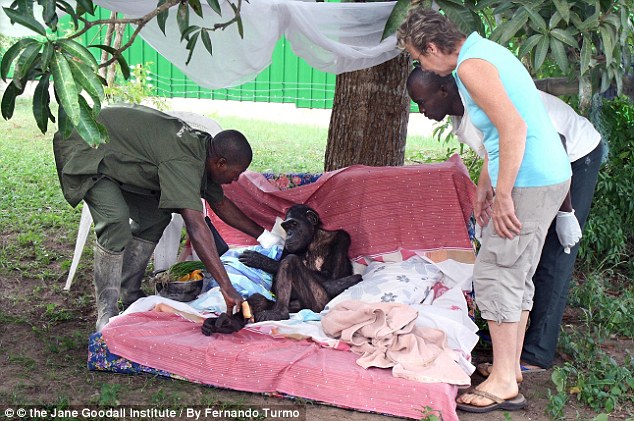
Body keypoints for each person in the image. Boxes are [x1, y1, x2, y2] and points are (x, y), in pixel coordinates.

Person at [398, 9, 572, 412]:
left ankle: (504, 382)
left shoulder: (473, 67)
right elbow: (498, 132)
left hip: (530, 180)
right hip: (543, 175)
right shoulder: (483, 52)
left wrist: (506, 194)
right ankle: (508, 368)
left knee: (497, 272)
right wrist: (485, 183)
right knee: (517, 273)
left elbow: (514, 128)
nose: (424, 68)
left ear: (433, 47)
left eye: (420, 58)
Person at [406, 67, 604, 373]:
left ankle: (536, 354)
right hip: (537, 165)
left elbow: (556, 146)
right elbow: (499, 154)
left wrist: (566, 213)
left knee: (554, 254)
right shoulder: (463, 114)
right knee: (522, 251)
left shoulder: (483, 102)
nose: (421, 111)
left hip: (573, 156)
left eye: (422, 101)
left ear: (444, 92)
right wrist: (494, 201)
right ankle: (512, 344)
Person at [53, 104, 264, 332]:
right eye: (235, 174)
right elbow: (196, 225)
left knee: (155, 217)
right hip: (87, 144)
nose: (235, 180)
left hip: (117, 155)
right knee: (115, 221)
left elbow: (221, 204)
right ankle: (107, 310)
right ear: (220, 163)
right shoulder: (185, 160)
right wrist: (226, 286)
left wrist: (267, 236)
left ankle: (129, 292)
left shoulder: (204, 151)